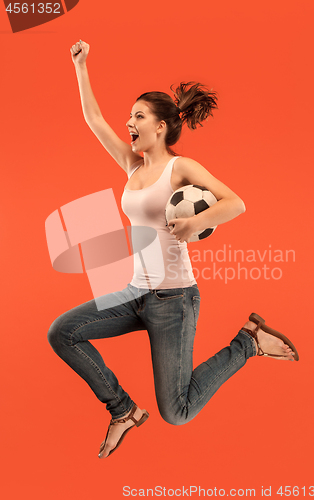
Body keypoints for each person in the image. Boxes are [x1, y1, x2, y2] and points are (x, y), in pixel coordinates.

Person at [47, 40, 299, 459]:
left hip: (174, 299)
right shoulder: (133, 165)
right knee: (63, 332)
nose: (129, 122)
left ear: (161, 126)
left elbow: (235, 203)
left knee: (177, 412)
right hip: (134, 294)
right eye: (129, 116)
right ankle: (123, 410)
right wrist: (81, 66)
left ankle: (248, 342)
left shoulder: (179, 168)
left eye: (139, 115)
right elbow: (94, 120)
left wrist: (196, 222)